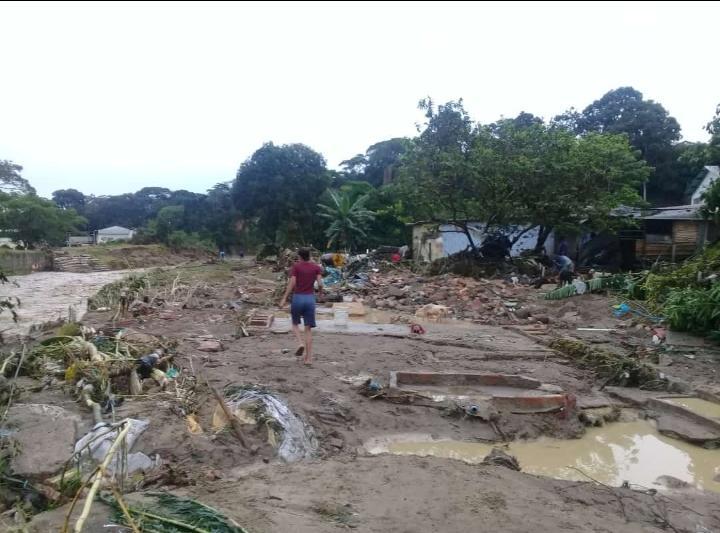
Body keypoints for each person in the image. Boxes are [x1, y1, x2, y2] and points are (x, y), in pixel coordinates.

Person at [280, 248, 323, 365]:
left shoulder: (296, 267)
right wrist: (320, 293)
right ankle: (308, 359)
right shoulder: (316, 267)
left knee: (295, 324)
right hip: (310, 299)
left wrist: (284, 298)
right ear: (309, 255)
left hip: (298, 298)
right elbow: (320, 284)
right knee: (308, 329)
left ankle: (300, 343)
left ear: (299, 256)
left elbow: (292, 283)